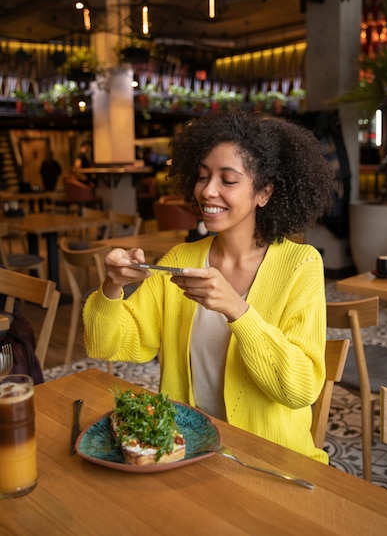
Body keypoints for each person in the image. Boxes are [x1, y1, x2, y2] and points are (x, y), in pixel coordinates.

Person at [83, 109, 334, 463]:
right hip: (190, 452)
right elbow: (107, 344)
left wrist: (237, 310)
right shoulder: (180, 258)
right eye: (202, 177)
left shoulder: (300, 265)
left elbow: (300, 389)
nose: (207, 191)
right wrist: (112, 288)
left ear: (264, 192)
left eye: (228, 180)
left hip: (271, 461)